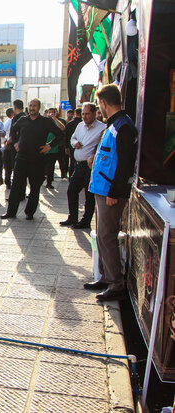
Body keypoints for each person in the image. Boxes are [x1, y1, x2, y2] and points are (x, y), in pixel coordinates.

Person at [84, 84, 138, 301]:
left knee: (107, 237)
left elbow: (125, 164)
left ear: (104, 103)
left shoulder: (123, 126)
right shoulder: (115, 125)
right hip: (102, 190)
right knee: (103, 236)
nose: (99, 110)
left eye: (99, 105)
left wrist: (115, 191)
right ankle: (105, 276)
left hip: (110, 193)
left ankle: (116, 284)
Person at [1, 98, 65, 220]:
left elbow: (60, 134)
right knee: (16, 186)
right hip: (21, 158)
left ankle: (30, 212)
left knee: (35, 187)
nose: (32, 108)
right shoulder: (23, 120)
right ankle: (11, 212)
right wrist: (15, 142)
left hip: (37, 159)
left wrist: (49, 146)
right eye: (30, 105)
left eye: (34, 106)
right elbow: (13, 130)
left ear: (39, 107)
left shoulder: (46, 121)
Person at [60, 103, 106, 229]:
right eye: (83, 114)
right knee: (71, 190)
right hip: (79, 165)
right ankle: (73, 217)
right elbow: (72, 138)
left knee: (89, 195)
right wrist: (75, 143)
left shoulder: (102, 128)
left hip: (91, 166)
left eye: (87, 114)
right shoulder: (80, 125)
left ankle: (86, 221)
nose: (84, 117)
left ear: (94, 113)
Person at [4, 100, 26, 189]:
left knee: (16, 170)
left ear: (15, 107)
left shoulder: (17, 118)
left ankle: (18, 192)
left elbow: (15, 133)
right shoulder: (25, 116)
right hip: (23, 145)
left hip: (16, 147)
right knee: (22, 171)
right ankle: (22, 192)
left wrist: (7, 143)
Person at [65, 107, 83, 177]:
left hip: (71, 146)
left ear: (75, 114)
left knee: (72, 162)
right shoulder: (82, 124)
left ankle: (71, 177)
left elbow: (66, 137)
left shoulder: (69, 124)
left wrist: (66, 147)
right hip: (81, 145)